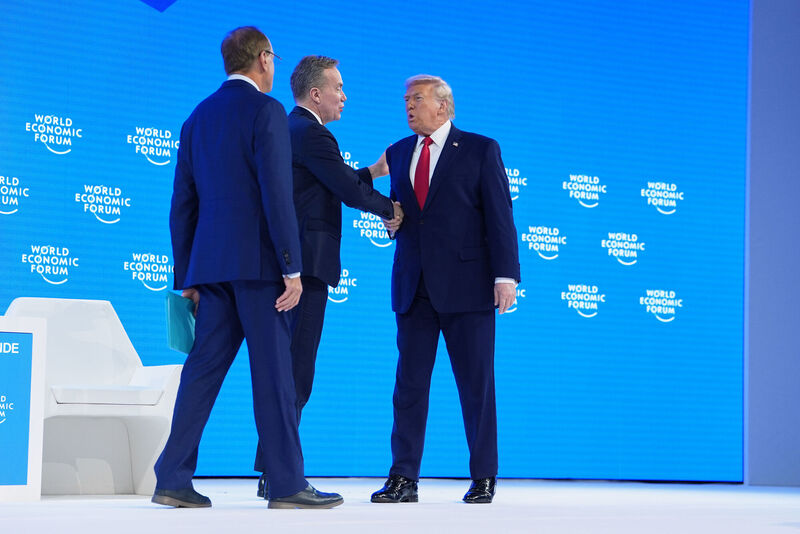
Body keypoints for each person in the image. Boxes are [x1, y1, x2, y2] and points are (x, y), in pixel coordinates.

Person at [152, 26, 342, 509]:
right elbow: (276, 194)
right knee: (275, 374)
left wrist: (186, 277)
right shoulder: (267, 111)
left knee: (202, 372)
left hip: (211, 270)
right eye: (273, 58)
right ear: (262, 59)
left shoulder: (198, 116)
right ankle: (286, 484)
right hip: (261, 269)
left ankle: (171, 477)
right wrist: (292, 267)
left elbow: (183, 204)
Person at [253, 55, 403, 498]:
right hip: (302, 270)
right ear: (315, 93)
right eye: (338, 86)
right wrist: (391, 209)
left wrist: (373, 172)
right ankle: (281, 475)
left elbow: (322, 181)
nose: (345, 95)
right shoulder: (314, 133)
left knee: (288, 371)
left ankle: (272, 469)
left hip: (287, 266)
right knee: (296, 372)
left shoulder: (292, 129)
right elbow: (344, 189)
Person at [371, 75, 520, 505]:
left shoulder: (480, 149)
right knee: (409, 386)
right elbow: (402, 215)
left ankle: (484, 476)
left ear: (444, 106)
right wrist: (391, 222)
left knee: (477, 386)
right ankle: (403, 478)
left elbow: (499, 215)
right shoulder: (399, 152)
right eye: (405, 100)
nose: (408, 106)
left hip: (468, 287)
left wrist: (505, 275)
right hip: (413, 287)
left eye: (417, 99)